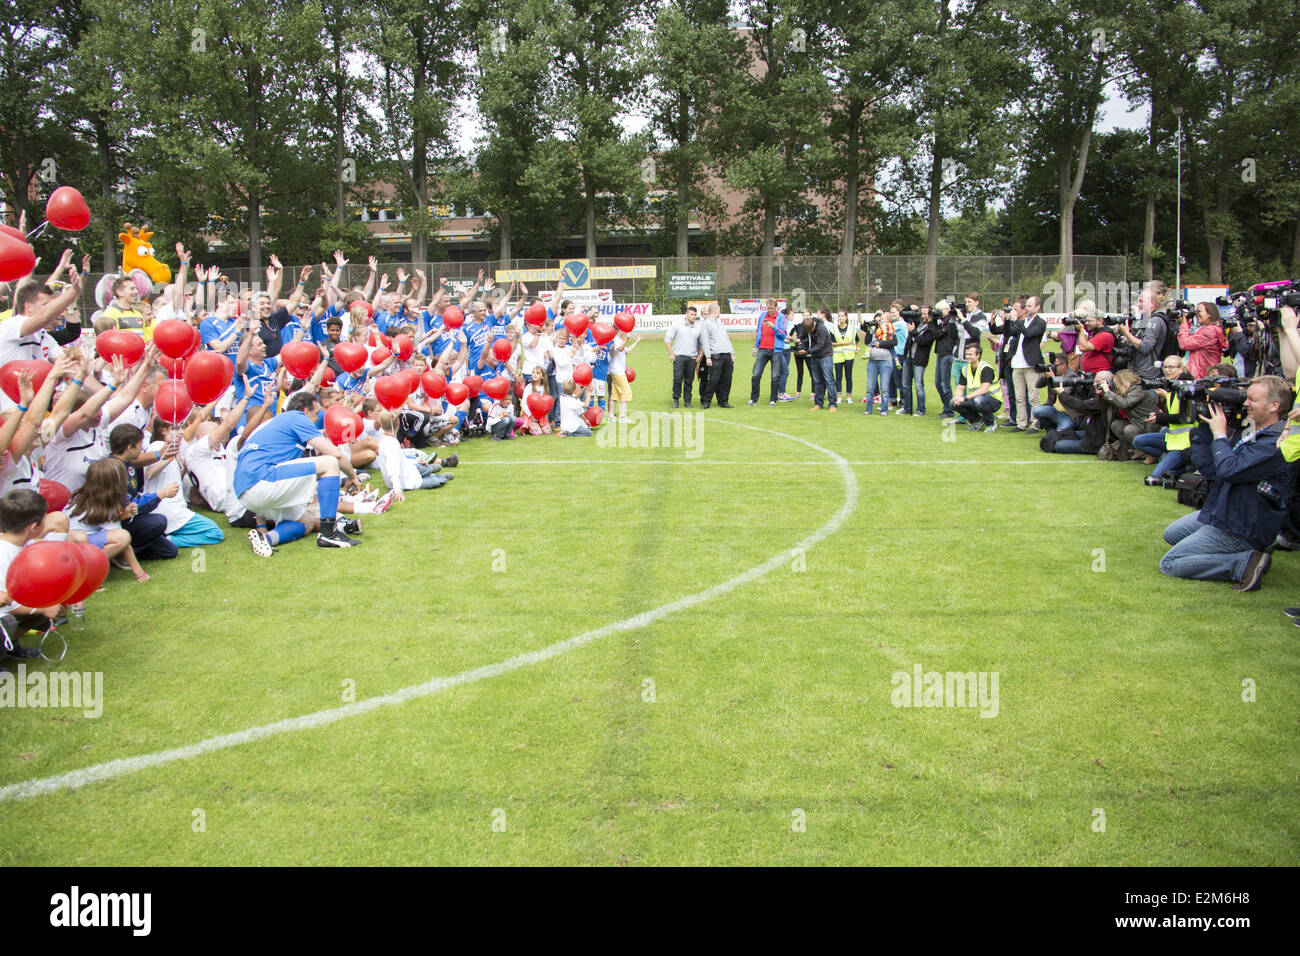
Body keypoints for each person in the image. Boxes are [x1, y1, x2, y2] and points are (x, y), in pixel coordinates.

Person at [1160, 375, 1293, 592]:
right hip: (1225, 511)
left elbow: (1229, 470)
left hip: (1243, 524)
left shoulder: (1275, 442)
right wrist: (1205, 426)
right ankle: (1238, 554)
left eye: (1252, 399)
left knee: (1170, 563)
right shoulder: (1251, 431)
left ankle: (1243, 564)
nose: (1245, 403)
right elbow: (1213, 471)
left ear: (1274, 406)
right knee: (1172, 534)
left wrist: (1220, 435)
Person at [234, 391, 364, 553]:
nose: (317, 419)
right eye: (316, 413)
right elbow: (335, 454)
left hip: (245, 492)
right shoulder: (297, 418)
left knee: (307, 522)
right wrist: (352, 476)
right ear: (306, 411)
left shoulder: (275, 423)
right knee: (329, 463)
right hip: (262, 481)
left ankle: (265, 539)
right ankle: (328, 534)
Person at [67, 458, 150, 582]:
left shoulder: (89, 497)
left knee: (121, 537)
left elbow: (104, 521)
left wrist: (123, 513)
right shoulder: (103, 503)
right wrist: (140, 573)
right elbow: (122, 539)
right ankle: (86, 570)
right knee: (123, 537)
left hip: (75, 541)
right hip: (77, 544)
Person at [1133, 355, 1195, 481]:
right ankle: (1167, 458)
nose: (1167, 370)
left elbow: (1184, 417)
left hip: (1185, 443)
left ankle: (1187, 466)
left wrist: (1159, 418)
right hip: (1172, 439)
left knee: (1156, 476)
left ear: (1181, 369)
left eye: (1171, 367)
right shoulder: (1171, 387)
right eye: (1165, 367)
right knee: (1138, 441)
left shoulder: (1186, 389)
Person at [1006, 295, 1046, 431]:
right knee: (1019, 397)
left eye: (1030, 306)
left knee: (1033, 397)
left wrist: (1017, 323)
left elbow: (1029, 334)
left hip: (1031, 364)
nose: (1027, 308)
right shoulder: (1022, 322)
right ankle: (1021, 423)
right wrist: (1007, 320)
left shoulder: (1040, 322)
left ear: (1037, 307)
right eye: (1027, 306)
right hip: (1017, 364)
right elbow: (1009, 332)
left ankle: (1036, 423)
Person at [1099, 369, 1159, 458]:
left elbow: (1125, 403)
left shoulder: (1138, 390)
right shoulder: (1125, 392)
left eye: (1116, 383)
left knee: (1129, 429)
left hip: (1148, 425)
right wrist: (1104, 394)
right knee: (1116, 425)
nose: (1115, 385)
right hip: (1138, 423)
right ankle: (1136, 449)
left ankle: (1148, 452)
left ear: (1123, 381)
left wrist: (1108, 392)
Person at [952, 342, 1002, 431]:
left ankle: (990, 423)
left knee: (978, 400)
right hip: (977, 398)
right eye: (966, 354)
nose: (967, 356)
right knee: (953, 403)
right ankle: (977, 420)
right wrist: (957, 397)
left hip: (993, 400)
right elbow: (960, 387)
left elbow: (984, 389)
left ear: (978, 355)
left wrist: (965, 398)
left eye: (970, 354)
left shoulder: (986, 368)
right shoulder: (965, 369)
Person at [1177, 301, 1228, 379]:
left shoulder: (1210, 331)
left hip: (1202, 375)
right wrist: (1187, 321)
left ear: (1209, 314)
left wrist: (1183, 324)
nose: (1196, 315)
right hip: (1204, 373)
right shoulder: (1207, 328)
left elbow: (1185, 343)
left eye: (1199, 311)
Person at [748, 300, 785, 406]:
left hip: (776, 350)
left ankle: (773, 400)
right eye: (768, 308)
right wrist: (756, 346)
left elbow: (783, 334)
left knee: (775, 377)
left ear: (776, 308)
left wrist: (774, 327)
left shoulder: (781, 317)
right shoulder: (762, 316)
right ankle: (753, 399)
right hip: (762, 349)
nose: (770, 310)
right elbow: (759, 331)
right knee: (755, 375)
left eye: (772, 308)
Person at [664, 306, 702, 408]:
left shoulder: (698, 327)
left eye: (695, 315)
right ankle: (676, 399)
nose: (693, 317)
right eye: (691, 314)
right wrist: (671, 354)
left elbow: (702, 343)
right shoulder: (677, 325)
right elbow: (667, 339)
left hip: (692, 358)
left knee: (689, 380)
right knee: (677, 379)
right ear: (686, 314)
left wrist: (699, 356)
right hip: (679, 357)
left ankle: (687, 401)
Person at [698, 303, 734, 409]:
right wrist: (708, 357)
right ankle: (706, 401)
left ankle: (723, 401)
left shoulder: (720, 323)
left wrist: (732, 353)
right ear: (716, 311)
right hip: (716, 355)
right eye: (719, 310)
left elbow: (726, 339)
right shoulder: (706, 324)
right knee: (713, 380)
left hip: (726, 354)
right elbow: (705, 341)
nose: (720, 312)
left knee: (727, 379)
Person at [929, 300, 960, 418]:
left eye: (940, 310)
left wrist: (932, 323)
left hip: (947, 353)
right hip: (940, 354)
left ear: (947, 309)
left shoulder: (950, 322)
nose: (938, 313)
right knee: (938, 383)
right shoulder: (942, 321)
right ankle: (946, 406)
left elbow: (938, 334)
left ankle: (949, 410)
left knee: (945, 384)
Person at [861, 313, 895, 417]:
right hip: (873, 361)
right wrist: (871, 332)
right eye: (879, 319)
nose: (880, 321)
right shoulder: (874, 330)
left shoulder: (890, 331)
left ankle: (884, 409)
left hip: (885, 361)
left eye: (883, 319)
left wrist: (881, 344)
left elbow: (894, 342)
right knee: (870, 387)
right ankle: (868, 409)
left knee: (884, 387)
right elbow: (867, 342)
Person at [830, 308, 857, 404]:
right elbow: (831, 342)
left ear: (846, 317)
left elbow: (856, 340)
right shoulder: (833, 329)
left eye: (842, 316)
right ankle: (839, 396)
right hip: (838, 355)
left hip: (849, 355)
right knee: (838, 376)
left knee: (848, 376)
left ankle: (849, 396)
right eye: (839, 316)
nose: (840, 318)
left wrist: (857, 348)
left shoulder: (852, 328)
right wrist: (843, 343)